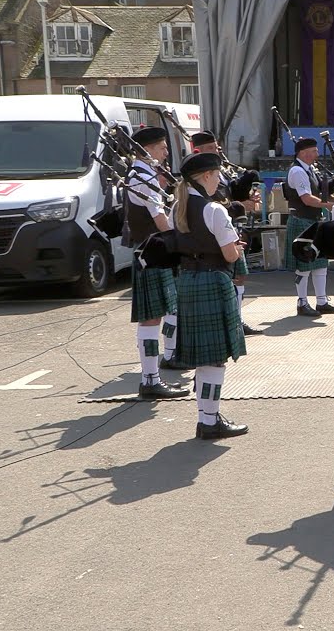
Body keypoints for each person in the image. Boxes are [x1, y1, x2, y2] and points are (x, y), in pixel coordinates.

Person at [171, 152, 249, 440]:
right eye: (217, 175)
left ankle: (207, 417)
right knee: (215, 357)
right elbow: (229, 253)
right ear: (205, 176)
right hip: (214, 281)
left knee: (205, 358)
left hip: (188, 280)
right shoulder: (214, 210)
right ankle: (209, 420)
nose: (219, 180)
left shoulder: (177, 207)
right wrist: (238, 249)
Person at [125, 126, 189, 397]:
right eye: (162, 147)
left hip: (153, 250)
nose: (165, 153)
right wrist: (179, 242)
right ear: (148, 149)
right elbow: (160, 219)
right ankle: (150, 380)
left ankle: (162, 366)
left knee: (161, 311)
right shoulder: (142, 176)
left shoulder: (144, 174)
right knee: (151, 318)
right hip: (151, 252)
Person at [189, 131, 262, 336]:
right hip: (215, 235)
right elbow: (211, 206)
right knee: (227, 278)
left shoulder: (220, 172)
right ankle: (231, 321)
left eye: (216, 147)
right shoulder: (201, 175)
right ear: (198, 151)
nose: (216, 151)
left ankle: (237, 320)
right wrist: (240, 205)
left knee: (239, 276)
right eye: (211, 149)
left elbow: (230, 194)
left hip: (231, 229)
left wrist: (247, 197)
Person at [283, 138, 334, 318]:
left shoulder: (310, 170)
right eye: (314, 151)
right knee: (304, 264)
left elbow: (319, 195)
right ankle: (302, 303)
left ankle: (322, 302)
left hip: (314, 221)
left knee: (320, 263)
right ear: (303, 153)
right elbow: (307, 199)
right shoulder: (297, 171)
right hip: (302, 221)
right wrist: (330, 206)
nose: (317, 155)